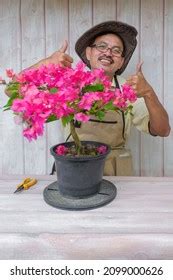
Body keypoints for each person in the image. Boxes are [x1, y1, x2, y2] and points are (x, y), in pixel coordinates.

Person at [12, 21, 172, 175]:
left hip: (117, 174)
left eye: (116, 50)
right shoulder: (68, 82)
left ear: (121, 62)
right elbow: (13, 90)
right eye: (102, 46)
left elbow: (163, 130)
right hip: (73, 164)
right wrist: (45, 63)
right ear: (88, 53)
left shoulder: (128, 89)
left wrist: (149, 93)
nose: (108, 53)